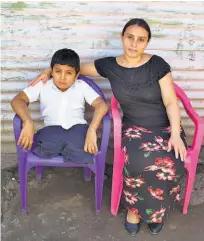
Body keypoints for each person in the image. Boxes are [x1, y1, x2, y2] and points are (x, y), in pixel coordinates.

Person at [29, 19, 187, 236]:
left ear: (147, 43)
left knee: (173, 161)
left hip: (165, 127)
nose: (134, 44)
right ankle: (133, 210)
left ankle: (155, 213)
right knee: (139, 161)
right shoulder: (110, 65)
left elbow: (170, 101)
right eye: (130, 37)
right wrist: (48, 72)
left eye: (141, 40)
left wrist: (176, 133)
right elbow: (73, 68)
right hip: (135, 128)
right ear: (122, 38)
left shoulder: (158, 65)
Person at [11, 48, 108, 164]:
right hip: (51, 131)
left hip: (78, 130)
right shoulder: (43, 85)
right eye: (58, 71)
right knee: (43, 144)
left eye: (69, 73)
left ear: (76, 75)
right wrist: (27, 121)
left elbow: (101, 105)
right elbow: (17, 100)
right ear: (51, 71)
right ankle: (67, 150)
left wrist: (92, 129)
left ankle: (70, 150)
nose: (62, 77)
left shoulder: (82, 86)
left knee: (83, 147)